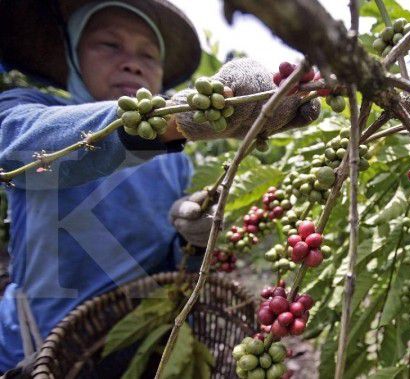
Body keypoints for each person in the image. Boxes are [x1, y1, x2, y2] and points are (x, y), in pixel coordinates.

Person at [0, 0, 319, 373]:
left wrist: (191, 238)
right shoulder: (27, 108)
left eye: (148, 55)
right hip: (35, 344)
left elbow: (169, 264)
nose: (132, 62)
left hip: (133, 341)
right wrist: (167, 121)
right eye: (109, 45)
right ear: (73, 54)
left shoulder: (175, 158)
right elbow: (15, 141)